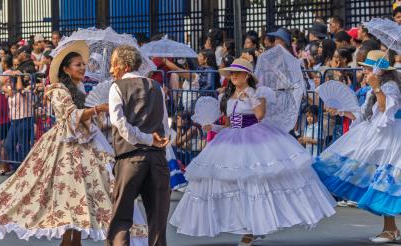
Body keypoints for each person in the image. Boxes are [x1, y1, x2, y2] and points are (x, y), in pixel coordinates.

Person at [0, 41, 147, 246]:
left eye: (84, 64)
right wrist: (97, 110)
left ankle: (77, 241)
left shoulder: (82, 89)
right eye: (78, 64)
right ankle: (71, 241)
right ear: (66, 69)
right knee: (66, 197)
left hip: (89, 146)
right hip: (64, 147)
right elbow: (69, 116)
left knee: (89, 197)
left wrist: (96, 115)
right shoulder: (57, 90)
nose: (83, 67)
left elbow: (86, 119)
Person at [169, 58, 336, 246]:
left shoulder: (258, 93)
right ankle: (245, 225)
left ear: (247, 75)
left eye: (237, 72)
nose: (233, 76)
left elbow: (259, 115)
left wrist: (249, 95)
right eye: (231, 73)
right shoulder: (228, 97)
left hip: (255, 138)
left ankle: (253, 228)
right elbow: (230, 123)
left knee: (255, 182)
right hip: (231, 139)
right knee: (232, 184)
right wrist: (213, 127)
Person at [313, 50, 401, 244]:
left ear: (380, 70)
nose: (365, 72)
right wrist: (341, 111)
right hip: (377, 136)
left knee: (388, 181)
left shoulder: (391, 86)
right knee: (380, 181)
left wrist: (377, 88)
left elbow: (387, 110)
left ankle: (390, 229)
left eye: (369, 68)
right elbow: (363, 114)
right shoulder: (372, 88)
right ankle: (390, 228)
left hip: (392, 136)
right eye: (365, 68)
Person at [106, 45, 171, 246]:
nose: (111, 70)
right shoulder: (156, 87)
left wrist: (146, 139)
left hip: (130, 158)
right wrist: (155, 140)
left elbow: (120, 125)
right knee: (158, 222)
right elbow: (164, 124)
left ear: (124, 66)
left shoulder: (116, 87)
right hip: (157, 158)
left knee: (121, 219)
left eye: (113, 65)